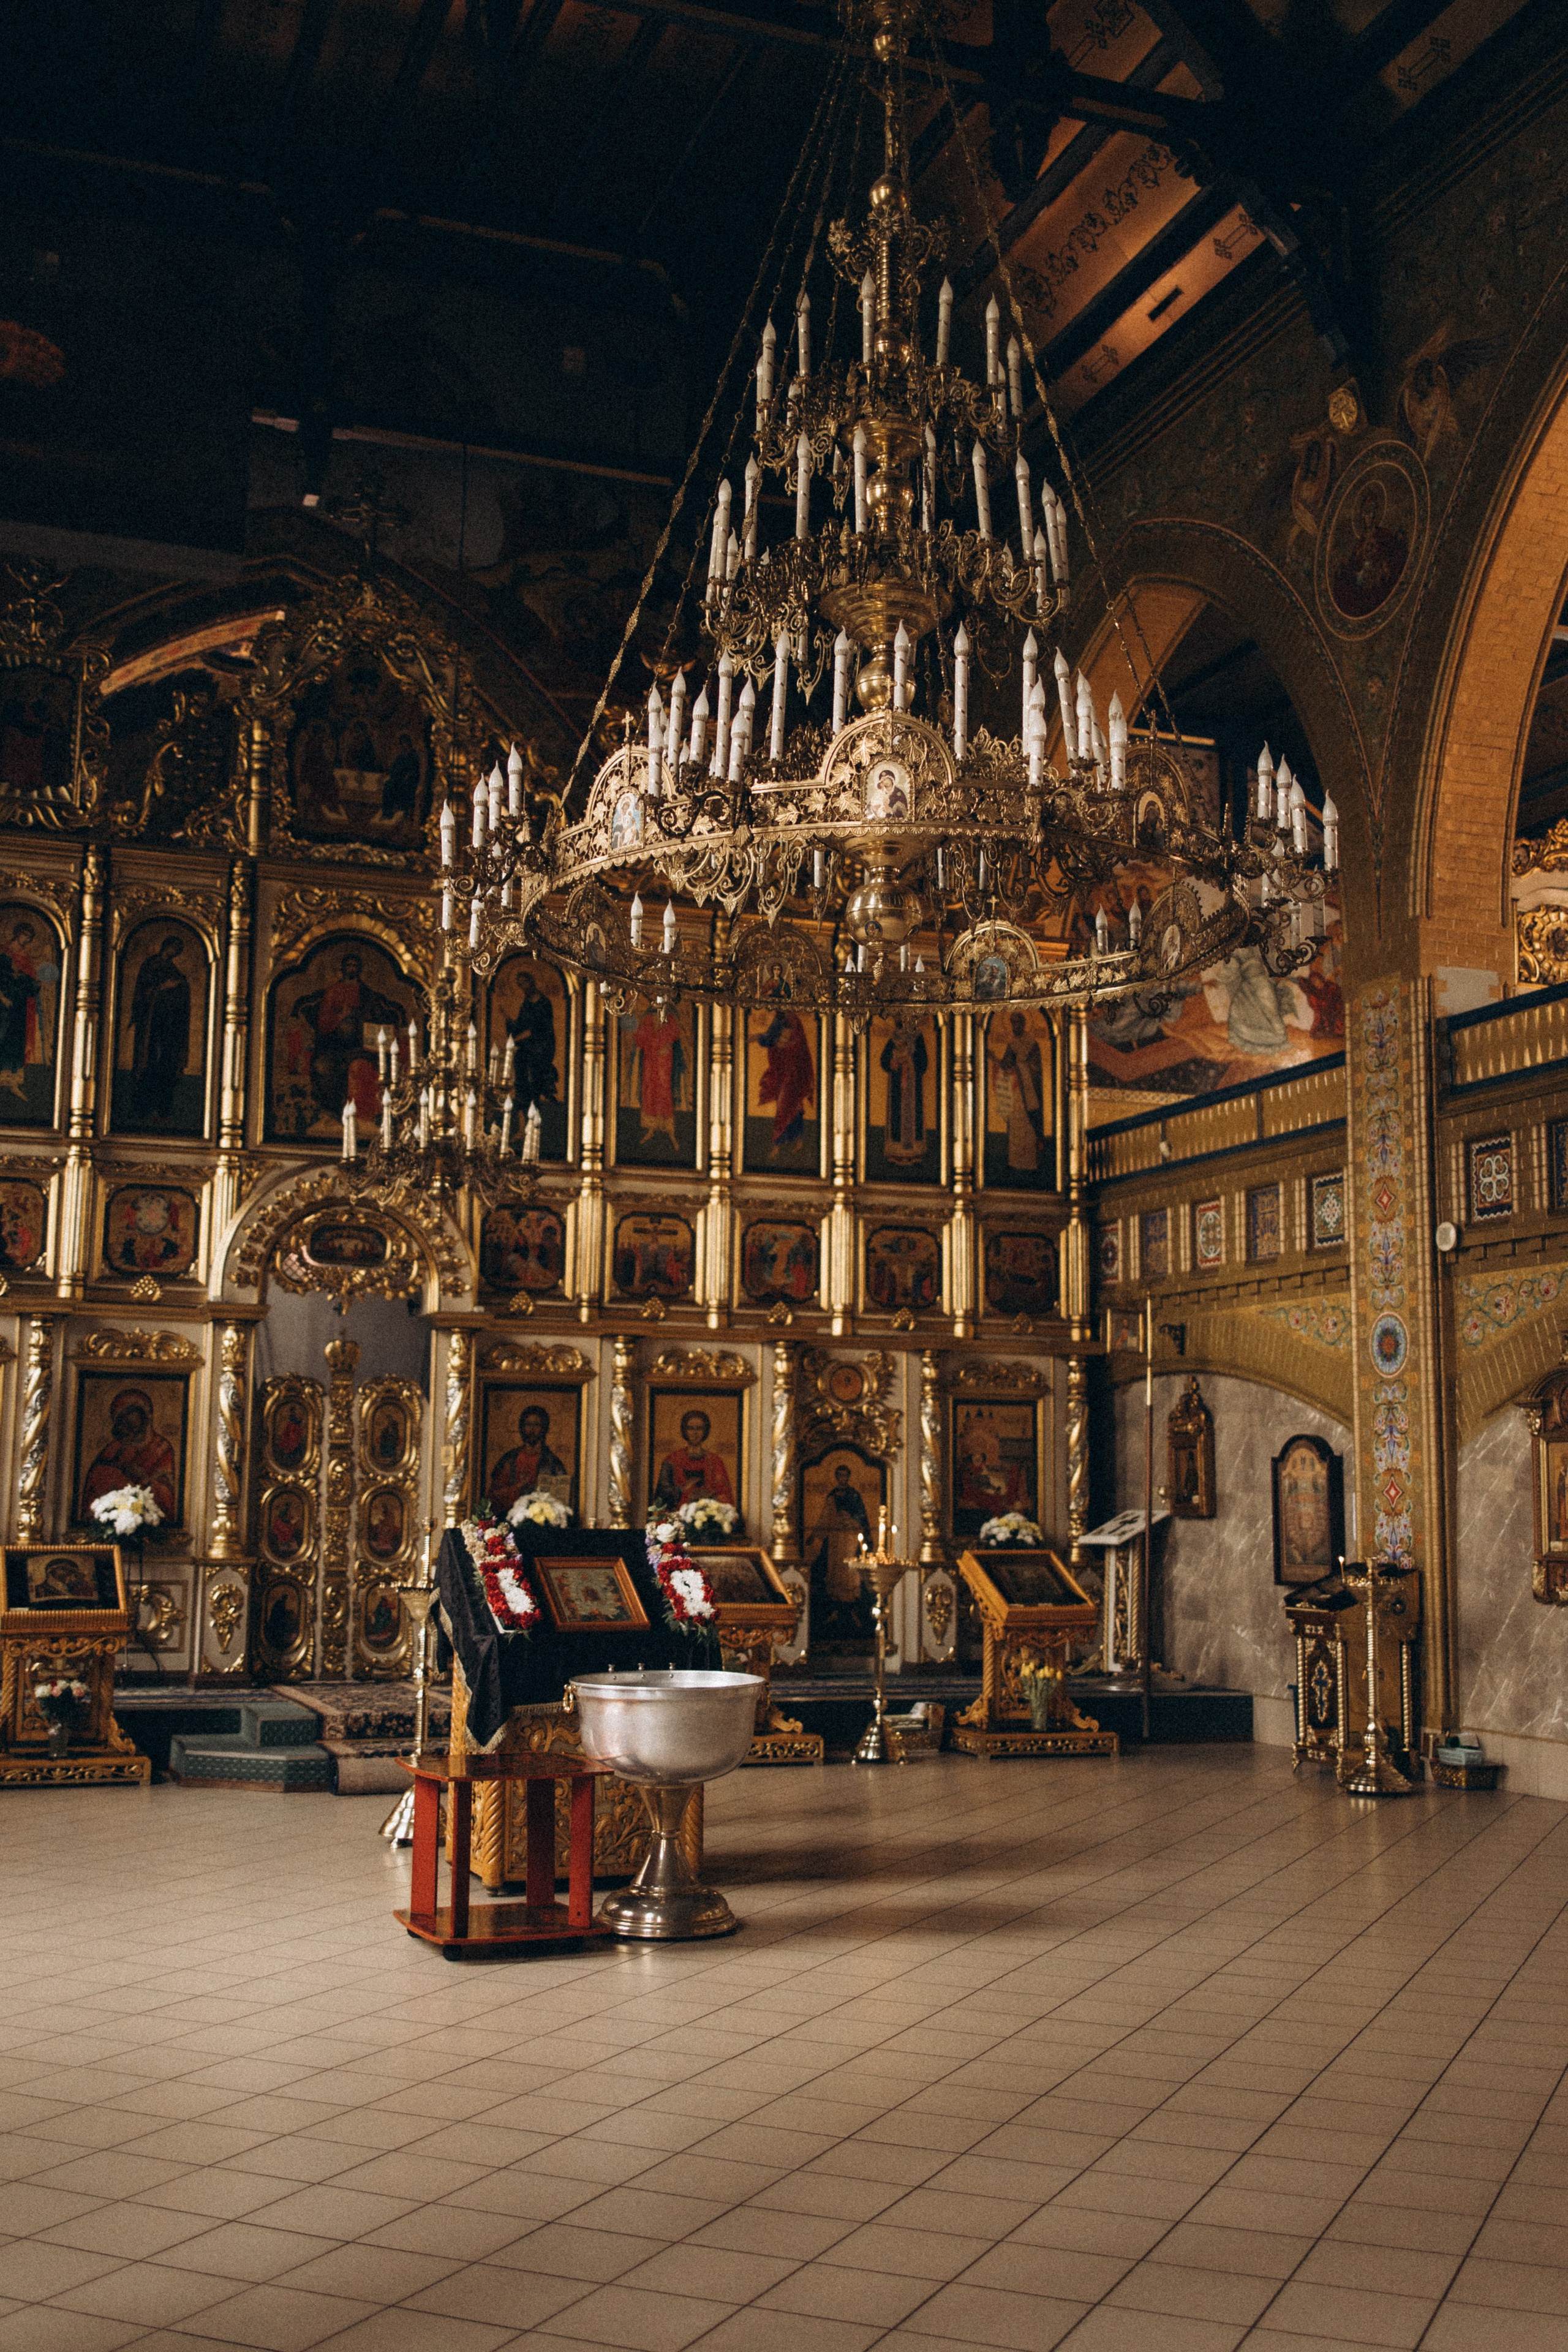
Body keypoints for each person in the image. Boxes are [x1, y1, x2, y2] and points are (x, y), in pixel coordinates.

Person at [286, 949, 404, 1128]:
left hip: (360, 1047)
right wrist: (340, 1017)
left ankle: (365, 1115)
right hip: (333, 1046)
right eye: (348, 965)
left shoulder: (368, 995)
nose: (352, 969)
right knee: (323, 1067)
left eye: (355, 966)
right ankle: (332, 1112)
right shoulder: (333, 992)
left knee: (362, 1068)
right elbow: (323, 1023)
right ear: (343, 969)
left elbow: (378, 1019)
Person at [81, 1388, 178, 1525]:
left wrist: (144, 1479)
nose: (128, 1421)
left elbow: (167, 1494)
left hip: (143, 1516)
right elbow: (95, 1483)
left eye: (131, 1414)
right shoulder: (113, 1450)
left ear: (144, 1416)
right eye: (123, 1418)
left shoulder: (160, 1448)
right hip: (115, 1518)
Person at [0, 916, 53, 1104]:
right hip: (3, 1006)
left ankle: (12, 1083)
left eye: (29, 937)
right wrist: (3, 998)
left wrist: (36, 984)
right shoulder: (3, 952)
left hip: (20, 1008)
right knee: (2, 1038)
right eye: (25, 935)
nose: (27, 940)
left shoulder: (26, 958)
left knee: (16, 1042)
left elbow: (26, 981)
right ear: (17, 933)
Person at [756, 1003, 815, 1153]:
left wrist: (765, 1039)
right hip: (784, 1071)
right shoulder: (780, 1019)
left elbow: (793, 1044)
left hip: (794, 1073)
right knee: (785, 1106)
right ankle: (788, 1141)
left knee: (788, 1105)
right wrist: (763, 1039)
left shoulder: (793, 1020)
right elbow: (772, 1039)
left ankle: (782, 1143)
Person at [489, 1404, 570, 1513]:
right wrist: (518, 1487)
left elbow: (562, 1498)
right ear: (522, 1427)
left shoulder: (553, 1463)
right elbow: (495, 1496)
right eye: (528, 1424)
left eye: (537, 1425)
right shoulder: (510, 1459)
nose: (532, 1429)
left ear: (544, 1428)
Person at [653, 1409, 735, 1514]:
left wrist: (709, 1496)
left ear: (706, 1431)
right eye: (690, 1428)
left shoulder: (715, 1461)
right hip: (676, 1519)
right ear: (684, 1430)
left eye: (699, 1428)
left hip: (708, 1519)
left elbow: (726, 1497)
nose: (695, 1433)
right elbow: (661, 1498)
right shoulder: (672, 1461)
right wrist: (682, 1489)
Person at [995, 1011, 1046, 1174]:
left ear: (1023, 1024)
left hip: (1029, 1093)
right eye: (1013, 1023)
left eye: (1018, 1023)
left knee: (1029, 1128)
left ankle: (1030, 1163)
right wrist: (1004, 1065)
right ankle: (1014, 1161)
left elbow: (1036, 1068)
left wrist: (1019, 1068)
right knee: (1016, 1124)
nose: (1015, 1026)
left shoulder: (1032, 1044)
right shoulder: (1012, 1044)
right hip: (1016, 1091)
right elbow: (1006, 1063)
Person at [506, 969, 558, 1128]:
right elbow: (521, 1025)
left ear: (532, 982)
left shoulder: (543, 1003)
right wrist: (510, 1022)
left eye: (525, 983)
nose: (523, 987)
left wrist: (516, 1039)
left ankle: (533, 1126)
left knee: (532, 1086)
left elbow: (538, 1029)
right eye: (520, 985)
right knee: (521, 1087)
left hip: (538, 1051)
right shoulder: (526, 1003)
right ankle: (523, 1128)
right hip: (524, 1052)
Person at [627, 1004, 684, 1147]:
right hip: (650, 1060)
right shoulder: (648, 1018)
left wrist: (664, 1045)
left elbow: (674, 1034)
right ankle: (652, 1126)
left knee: (664, 1090)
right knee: (650, 1089)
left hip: (665, 1060)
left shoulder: (670, 1017)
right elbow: (640, 1037)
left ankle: (669, 1128)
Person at [880, 1022, 927, 1164]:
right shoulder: (894, 1038)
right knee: (896, 1115)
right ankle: (896, 1151)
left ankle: (914, 1152)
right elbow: (884, 1059)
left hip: (913, 1085)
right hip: (896, 1085)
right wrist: (891, 1062)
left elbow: (923, 1063)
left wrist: (910, 1061)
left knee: (913, 1115)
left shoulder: (918, 1037)